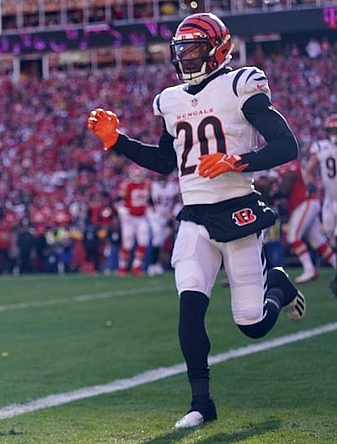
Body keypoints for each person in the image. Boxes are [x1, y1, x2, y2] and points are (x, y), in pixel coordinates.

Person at [86, 12, 307, 429]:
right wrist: (118, 142)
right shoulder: (170, 100)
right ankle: (201, 403)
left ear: (218, 49)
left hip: (238, 210)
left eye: (194, 49)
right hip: (194, 216)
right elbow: (164, 161)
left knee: (252, 325)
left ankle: (277, 285)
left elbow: (286, 145)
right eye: (181, 50)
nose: (186, 57)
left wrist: (237, 160)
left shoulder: (241, 85)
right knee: (189, 307)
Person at [275, 154, 335, 283]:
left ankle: (309, 269)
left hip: (304, 202)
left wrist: (276, 195)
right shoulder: (288, 165)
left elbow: (288, 180)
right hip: (306, 203)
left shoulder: (289, 164)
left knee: (293, 236)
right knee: (316, 240)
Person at [305, 113, 337, 295]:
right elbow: (309, 170)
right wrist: (310, 184)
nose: (334, 134)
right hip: (329, 200)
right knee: (330, 237)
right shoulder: (322, 147)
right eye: (331, 130)